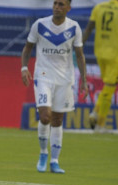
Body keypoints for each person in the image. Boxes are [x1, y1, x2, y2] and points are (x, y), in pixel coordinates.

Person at [21, 0, 89, 173]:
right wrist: (24, 68)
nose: (57, 7)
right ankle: (43, 153)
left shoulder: (74, 28)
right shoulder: (40, 25)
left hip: (65, 79)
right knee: (45, 117)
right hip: (43, 76)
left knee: (58, 120)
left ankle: (55, 161)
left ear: (68, 8)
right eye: (55, 3)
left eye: (61, 4)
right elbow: (27, 48)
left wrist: (84, 80)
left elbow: (80, 56)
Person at [82, 0, 118, 133]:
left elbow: (88, 28)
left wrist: (78, 47)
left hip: (99, 53)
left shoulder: (98, 8)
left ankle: (99, 120)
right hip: (114, 55)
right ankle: (98, 119)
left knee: (107, 86)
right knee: (110, 88)